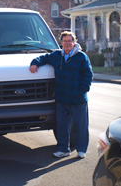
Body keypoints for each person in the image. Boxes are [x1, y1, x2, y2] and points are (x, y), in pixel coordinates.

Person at [29, 31, 93, 159]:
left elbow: (88, 74)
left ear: (74, 42)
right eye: (65, 41)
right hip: (62, 99)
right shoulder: (57, 55)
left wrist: (82, 90)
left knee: (80, 126)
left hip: (78, 99)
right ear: (61, 43)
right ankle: (63, 149)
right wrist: (34, 63)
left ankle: (81, 150)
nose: (67, 43)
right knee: (62, 127)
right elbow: (44, 58)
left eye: (70, 41)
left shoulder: (81, 57)